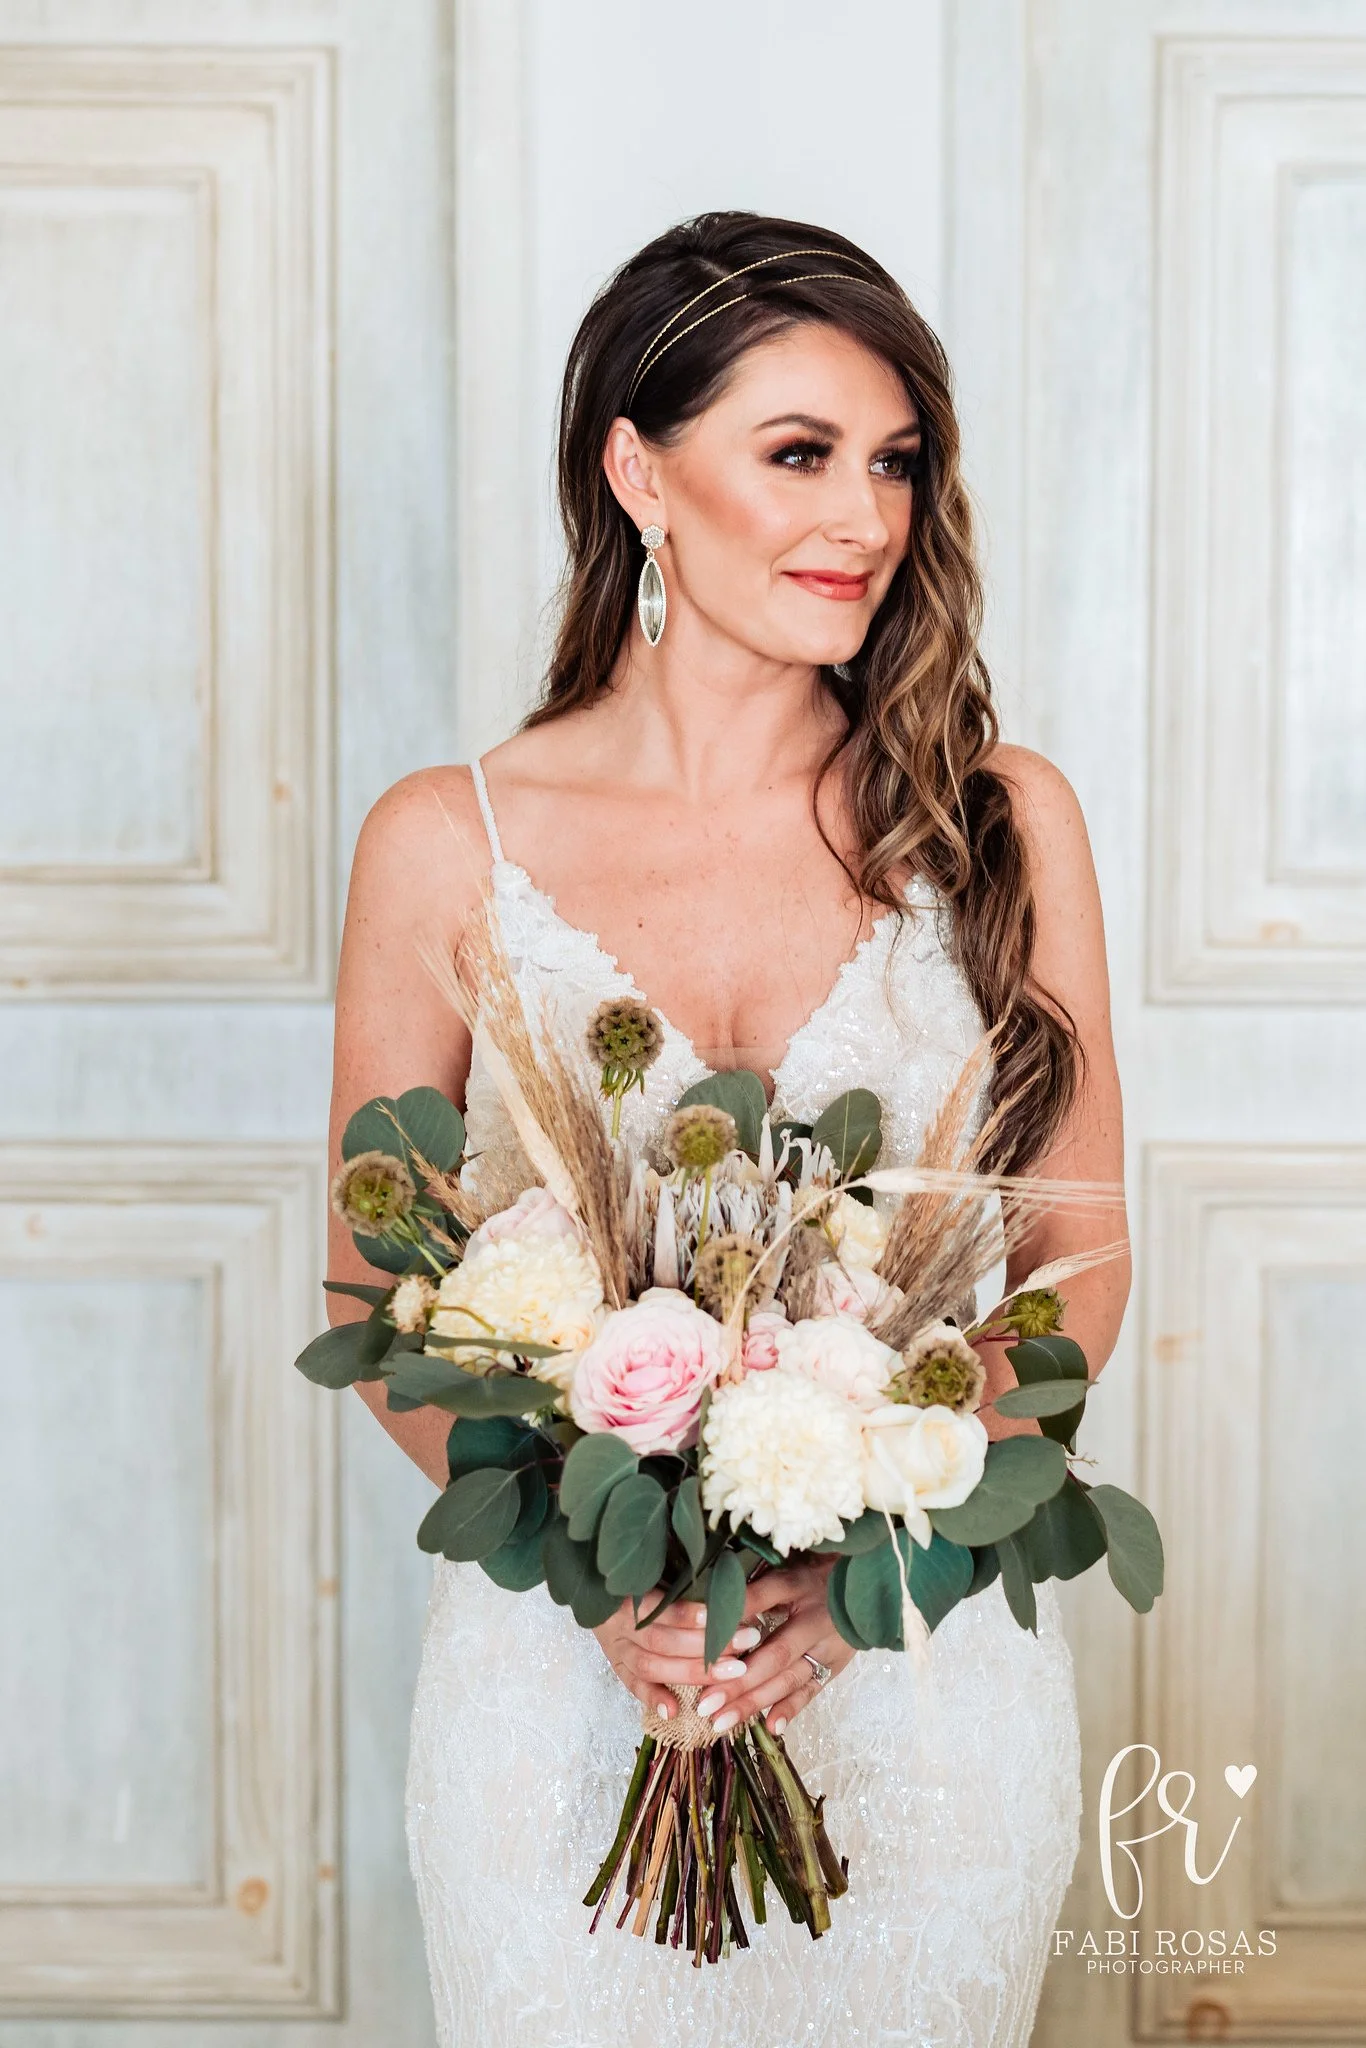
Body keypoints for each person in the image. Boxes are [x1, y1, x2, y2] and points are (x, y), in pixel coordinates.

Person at [327, 212, 1129, 2047]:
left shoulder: (996, 821)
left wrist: (874, 1582)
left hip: (921, 1682)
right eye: (799, 454)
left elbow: (1072, 1263)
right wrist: (603, 1582)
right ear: (638, 473)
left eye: (894, 462)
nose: (864, 516)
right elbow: (377, 1285)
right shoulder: (447, 842)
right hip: (568, 1686)